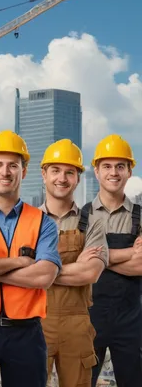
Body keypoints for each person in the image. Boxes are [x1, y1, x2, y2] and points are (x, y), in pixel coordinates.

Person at [0, 130, 61, 387]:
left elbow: (44, 276)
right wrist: (20, 262)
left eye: (13, 165)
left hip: (28, 333)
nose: (5, 172)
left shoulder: (42, 221)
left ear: (24, 171)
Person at [36, 139, 108, 387]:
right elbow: (19, 269)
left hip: (77, 323)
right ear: (44, 174)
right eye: (55, 170)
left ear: (78, 177)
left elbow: (90, 273)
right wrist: (74, 266)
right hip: (34, 321)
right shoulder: (28, 221)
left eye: (70, 172)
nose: (62, 178)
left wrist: (39, 271)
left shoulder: (93, 222)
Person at [87, 134, 142, 386]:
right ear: (96, 171)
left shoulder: (140, 216)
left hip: (132, 325)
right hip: (88, 322)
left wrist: (98, 257)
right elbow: (81, 266)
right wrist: (130, 253)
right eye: (107, 166)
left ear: (130, 171)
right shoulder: (81, 216)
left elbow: (141, 265)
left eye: (121, 166)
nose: (114, 172)